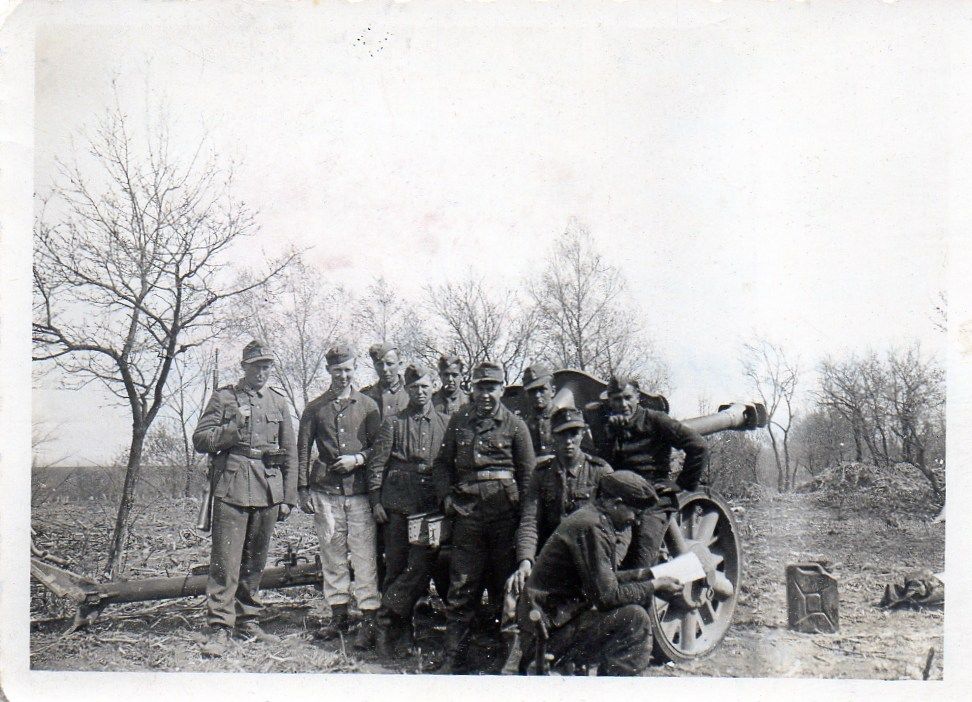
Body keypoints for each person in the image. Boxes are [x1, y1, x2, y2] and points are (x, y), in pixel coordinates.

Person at [516, 471, 681, 676]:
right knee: (635, 619)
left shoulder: (593, 519)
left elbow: (603, 579)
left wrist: (645, 575)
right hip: (545, 635)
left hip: (552, 623)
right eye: (635, 513)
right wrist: (654, 586)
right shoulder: (592, 526)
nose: (637, 522)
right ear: (615, 503)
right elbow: (607, 597)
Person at [192, 340, 298, 657]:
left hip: (268, 488)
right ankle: (220, 628)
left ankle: (248, 620)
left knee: (255, 562)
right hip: (232, 485)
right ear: (244, 367)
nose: (262, 372)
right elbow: (200, 438)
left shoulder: (278, 402)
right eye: (256, 366)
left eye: (267, 367)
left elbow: (290, 451)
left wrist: (288, 497)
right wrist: (231, 430)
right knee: (225, 563)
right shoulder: (225, 397)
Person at [432, 361, 536, 673]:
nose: (485, 394)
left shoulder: (516, 425)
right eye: (480, 387)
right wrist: (446, 497)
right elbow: (441, 465)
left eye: (492, 387)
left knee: (507, 587)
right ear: (471, 388)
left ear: (502, 389)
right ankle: (454, 660)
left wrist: (524, 526)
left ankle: (509, 661)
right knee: (462, 584)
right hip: (467, 515)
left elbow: (529, 483)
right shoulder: (459, 420)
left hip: (504, 517)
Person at [297, 345, 382, 649]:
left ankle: (369, 618)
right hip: (326, 493)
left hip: (359, 493)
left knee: (363, 556)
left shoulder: (369, 406)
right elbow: (304, 449)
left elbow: (379, 447)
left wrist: (358, 459)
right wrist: (303, 488)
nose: (343, 375)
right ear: (328, 371)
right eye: (337, 370)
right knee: (333, 555)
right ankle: (339, 617)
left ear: (354, 369)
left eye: (348, 369)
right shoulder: (315, 407)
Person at [367, 363, 451, 658]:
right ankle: (396, 635)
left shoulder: (444, 422)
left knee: (421, 566)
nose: (420, 392)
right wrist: (376, 500)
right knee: (397, 566)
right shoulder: (393, 422)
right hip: (398, 504)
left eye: (425, 386)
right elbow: (377, 464)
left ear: (433, 388)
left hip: (429, 505)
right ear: (407, 389)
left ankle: (388, 615)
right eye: (414, 387)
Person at [593, 375, 708, 569]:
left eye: (627, 397)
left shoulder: (656, 420)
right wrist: (611, 435)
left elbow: (699, 446)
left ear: (637, 396)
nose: (623, 404)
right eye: (616, 399)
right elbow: (605, 466)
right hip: (620, 499)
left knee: (641, 561)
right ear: (609, 401)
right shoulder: (609, 426)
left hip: (653, 500)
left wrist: (681, 484)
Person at [511, 407, 616, 592]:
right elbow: (530, 521)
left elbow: (618, 523)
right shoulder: (541, 474)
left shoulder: (600, 471)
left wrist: (610, 563)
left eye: (573, 433)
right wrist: (525, 561)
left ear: (583, 434)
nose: (568, 441)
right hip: (555, 558)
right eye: (561, 435)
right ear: (553, 436)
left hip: (592, 557)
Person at [361, 343, 410, 420]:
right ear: (374, 365)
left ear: (400, 364)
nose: (384, 369)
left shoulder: (412, 392)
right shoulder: (365, 396)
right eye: (379, 364)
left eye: (389, 364)